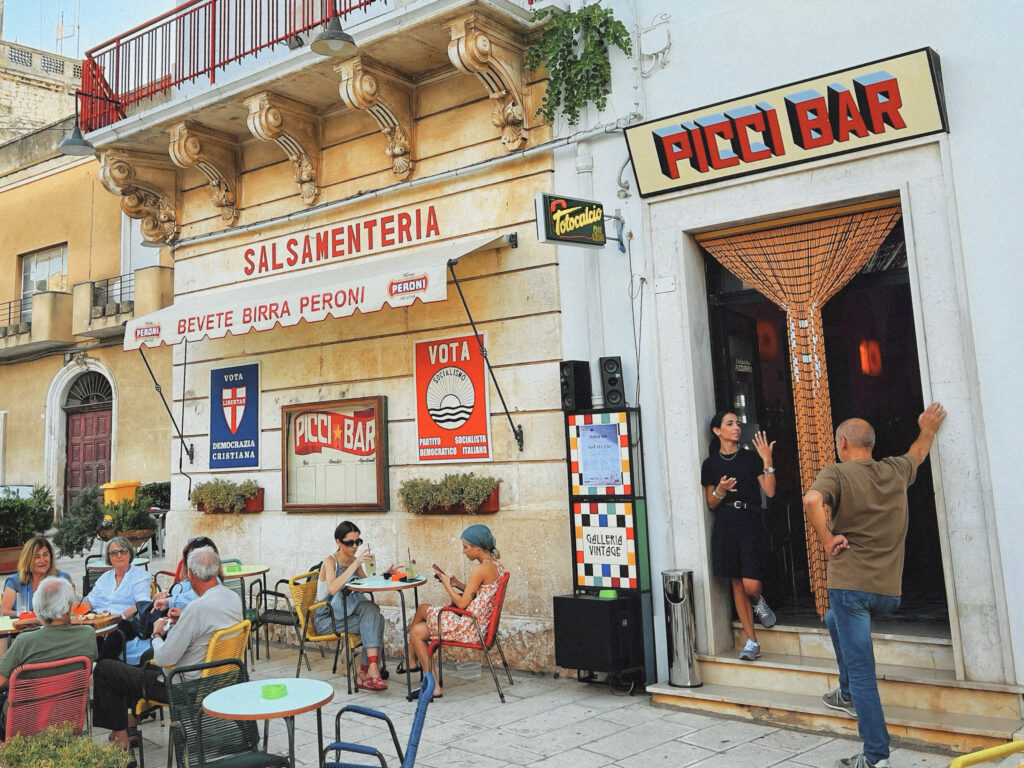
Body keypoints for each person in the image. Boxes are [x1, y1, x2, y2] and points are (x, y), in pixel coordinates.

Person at [804, 402, 947, 768]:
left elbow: (812, 500)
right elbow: (918, 451)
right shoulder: (894, 470)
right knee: (832, 619)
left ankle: (875, 756)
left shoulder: (836, 473)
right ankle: (847, 692)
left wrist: (826, 538)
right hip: (888, 594)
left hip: (850, 587)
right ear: (871, 444)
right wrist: (927, 427)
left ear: (842, 444)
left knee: (863, 669)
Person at [93, 546, 242, 752]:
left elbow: (164, 658)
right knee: (143, 659)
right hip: (217, 676)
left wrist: (156, 633)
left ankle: (122, 744)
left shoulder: (196, 608)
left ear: (190, 574)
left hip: (182, 687)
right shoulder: (232, 598)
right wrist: (182, 620)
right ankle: (131, 722)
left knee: (105, 669)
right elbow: (208, 626)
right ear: (216, 570)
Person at [701, 410, 778, 660]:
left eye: (737, 423)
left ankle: (757, 601)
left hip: (750, 520)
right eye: (730, 423)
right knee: (735, 582)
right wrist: (721, 491)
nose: (736, 427)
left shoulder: (749, 458)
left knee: (750, 584)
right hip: (725, 523)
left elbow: (770, 490)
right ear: (717, 430)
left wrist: (767, 460)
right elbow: (711, 503)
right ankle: (751, 641)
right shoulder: (710, 464)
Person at [404, 524, 505, 698]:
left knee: (416, 630)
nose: (463, 551)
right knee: (421, 616)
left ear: (477, 548)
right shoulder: (495, 566)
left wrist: (445, 584)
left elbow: (460, 603)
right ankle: (412, 662)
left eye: (466, 547)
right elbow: (480, 593)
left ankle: (421, 673)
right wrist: (457, 584)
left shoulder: (479, 569)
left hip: (470, 628)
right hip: (479, 625)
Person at [0, 576, 98, 737]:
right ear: (68, 607)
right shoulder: (87, 635)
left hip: (22, 725)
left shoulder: (25, 641)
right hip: (66, 720)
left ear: (38, 605)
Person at [316, 522, 387, 691]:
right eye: (350, 543)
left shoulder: (354, 560)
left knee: (373, 612)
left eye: (358, 541)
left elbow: (366, 583)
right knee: (377, 620)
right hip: (328, 619)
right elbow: (333, 588)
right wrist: (355, 565)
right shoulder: (329, 562)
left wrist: (387, 574)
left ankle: (367, 671)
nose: (355, 546)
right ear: (338, 542)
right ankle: (367, 672)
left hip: (347, 612)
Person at [79, 536, 152, 663]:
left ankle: (99, 670)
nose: (119, 556)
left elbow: (142, 603)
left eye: (123, 551)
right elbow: (90, 600)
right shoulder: (104, 578)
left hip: (126, 621)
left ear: (129, 554)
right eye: (114, 553)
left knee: (115, 631)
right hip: (100, 620)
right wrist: (81, 609)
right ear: (109, 558)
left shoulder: (140, 576)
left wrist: (120, 617)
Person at [142, 536, 219, 639]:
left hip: (178, 636)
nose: (192, 563)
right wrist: (168, 597)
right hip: (172, 623)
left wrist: (157, 635)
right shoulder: (229, 596)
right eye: (190, 558)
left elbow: (167, 653)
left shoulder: (212, 587)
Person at [1, 537, 74, 617]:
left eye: (45, 555)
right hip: (23, 628)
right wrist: (32, 616)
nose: (42, 560)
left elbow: (70, 609)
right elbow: (5, 611)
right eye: (37, 557)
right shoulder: (14, 582)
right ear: (27, 560)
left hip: (54, 628)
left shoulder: (62, 579)